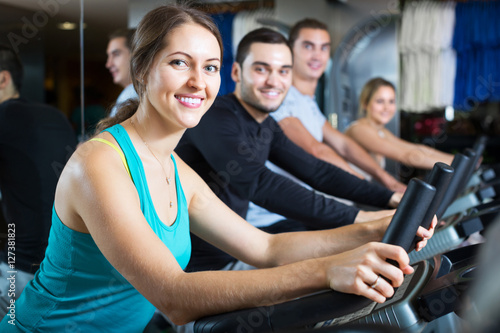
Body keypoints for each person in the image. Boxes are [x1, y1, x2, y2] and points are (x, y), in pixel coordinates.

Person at [0, 5, 434, 332]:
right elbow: (174, 296)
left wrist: (378, 228)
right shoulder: (99, 164)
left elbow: (266, 249)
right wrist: (327, 271)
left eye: (208, 67)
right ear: (142, 71)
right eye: (179, 63)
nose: (198, 82)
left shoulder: (174, 169)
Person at [176, 28, 403, 273]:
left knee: (332, 238)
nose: (274, 81)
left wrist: (388, 197)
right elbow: (257, 182)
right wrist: (360, 219)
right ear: (236, 72)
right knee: (350, 259)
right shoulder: (213, 117)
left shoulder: (267, 125)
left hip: (237, 251)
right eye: (261, 69)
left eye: (283, 71)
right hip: (206, 268)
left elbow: (317, 172)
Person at [270, 18, 406, 192]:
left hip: (302, 202)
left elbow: (344, 145)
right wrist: (372, 190)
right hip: (276, 212)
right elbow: (317, 150)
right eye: (308, 46)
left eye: (324, 47)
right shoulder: (282, 99)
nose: (317, 56)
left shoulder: (307, 102)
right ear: (290, 50)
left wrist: (388, 181)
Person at [0, 44, 77, 317]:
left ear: (3, 79)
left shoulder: (4, 117)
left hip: (17, 262)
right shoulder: (55, 116)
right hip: (63, 261)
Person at [345, 77, 455, 170]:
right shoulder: (359, 129)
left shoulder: (381, 132)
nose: (387, 108)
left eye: (391, 101)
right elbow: (407, 156)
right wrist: (455, 166)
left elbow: (415, 149)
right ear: (365, 104)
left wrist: (456, 160)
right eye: (380, 101)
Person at [105, 28, 139, 117]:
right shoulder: (129, 93)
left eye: (116, 54)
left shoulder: (131, 94)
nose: (108, 64)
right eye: (108, 56)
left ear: (136, 55)